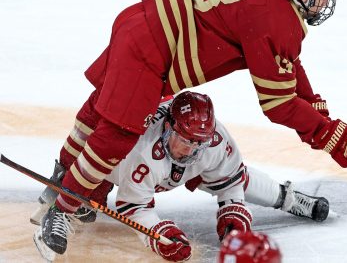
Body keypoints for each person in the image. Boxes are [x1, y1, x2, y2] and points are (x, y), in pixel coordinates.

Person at [35, 0, 347, 257]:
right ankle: (61, 207)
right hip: (150, 49)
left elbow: (286, 61)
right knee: (118, 134)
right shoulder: (279, 18)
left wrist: (322, 117)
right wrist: (331, 135)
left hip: (143, 20)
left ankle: (61, 175)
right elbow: (278, 104)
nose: (323, 3)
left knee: (102, 106)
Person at [33, 92, 330, 261]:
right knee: (86, 206)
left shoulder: (209, 142)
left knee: (234, 176)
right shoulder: (143, 151)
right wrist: (160, 234)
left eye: (199, 142)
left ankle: (288, 197)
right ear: (168, 127)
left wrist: (234, 217)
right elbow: (133, 205)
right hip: (111, 166)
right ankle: (62, 202)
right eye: (185, 140)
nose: (191, 149)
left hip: (160, 166)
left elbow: (233, 181)